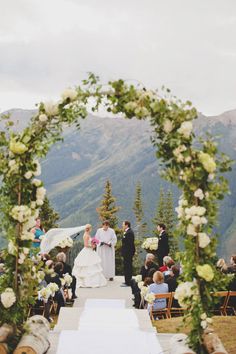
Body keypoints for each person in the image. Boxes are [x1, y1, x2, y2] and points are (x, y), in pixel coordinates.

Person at [72, 224, 107, 290]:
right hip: (87, 250)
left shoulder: (87, 234)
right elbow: (85, 245)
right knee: (89, 264)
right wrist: (93, 246)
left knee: (91, 264)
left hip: (89, 251)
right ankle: (88, 282)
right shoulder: (86, 235)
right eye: (90, 228)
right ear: (89, 229)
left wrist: (93, 243)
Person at [121, 220, 135, 287]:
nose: (122, 226)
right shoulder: (127, 232)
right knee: (126, 267)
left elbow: (129, 244)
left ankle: (128, 282)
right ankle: (126, 281)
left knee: (128, 267)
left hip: (128, 253)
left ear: (126, 225)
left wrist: (127, 253)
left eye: (123, 224)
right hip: (126, 253)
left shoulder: (129, 232)